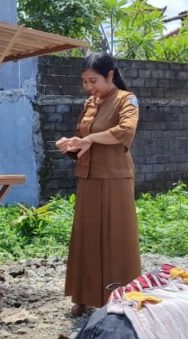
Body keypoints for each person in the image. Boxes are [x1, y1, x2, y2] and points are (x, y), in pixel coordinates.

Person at [55, 53, 141, 317]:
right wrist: (70, 145)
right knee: (86, 237)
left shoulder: (127, 99)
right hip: (89, 178)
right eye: (85, 81)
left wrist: (91, 139)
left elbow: (125, 131)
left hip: (115, 178)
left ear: (110, 75)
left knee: (117, 238)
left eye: (93, 80)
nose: (88, 86)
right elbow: (82, 140)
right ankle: (84, 296)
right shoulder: (90, 103)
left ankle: (121, 298)